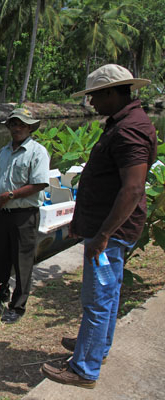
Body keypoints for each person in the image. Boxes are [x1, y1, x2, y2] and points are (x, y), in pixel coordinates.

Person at [41, 64, 157, 388]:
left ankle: (83, 369)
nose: (90, 103)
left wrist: (103, 235)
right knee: (109, 291)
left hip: (112, 232)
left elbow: (132, 188)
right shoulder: (126, 122)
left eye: (94, 96)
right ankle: (95, 347)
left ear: (110, 92)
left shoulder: (129, 129)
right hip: (113, 228)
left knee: (97, 298)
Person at [0, 108, 50, 324]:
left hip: (24, 215)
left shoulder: (37, 152)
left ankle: (17, 306)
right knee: (0, 257)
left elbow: (40, 183)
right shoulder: (3, 152)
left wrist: (10, 195)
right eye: (13, 124)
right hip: (3, 213)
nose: (17, 128)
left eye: (22, 125)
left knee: (22, 261)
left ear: (29, 128)